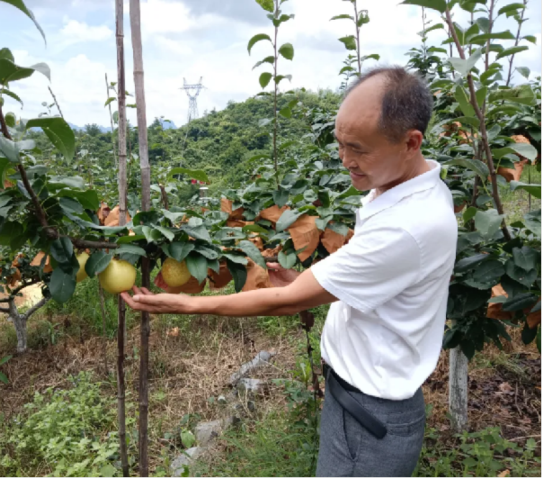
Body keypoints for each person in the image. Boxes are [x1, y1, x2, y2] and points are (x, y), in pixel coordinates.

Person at [121, 66, 458, 478]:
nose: (345, 160)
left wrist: (188, 303)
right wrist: (306, 280)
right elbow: (378, 283)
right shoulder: (400, 182)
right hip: (356, 398)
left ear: (410, 142)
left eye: (358, 149)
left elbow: (286, 303)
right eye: (340, 144)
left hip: (371, 418)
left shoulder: (410, 223)